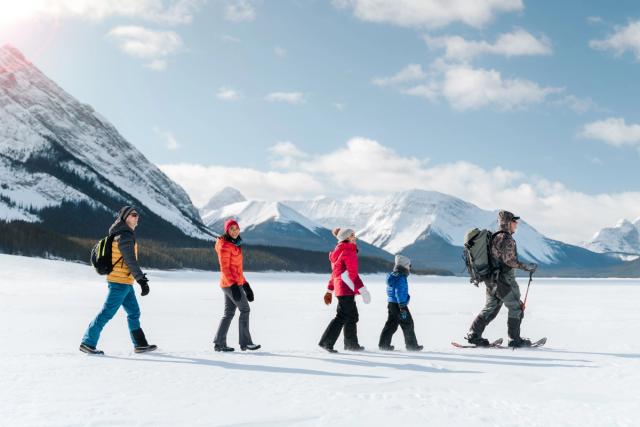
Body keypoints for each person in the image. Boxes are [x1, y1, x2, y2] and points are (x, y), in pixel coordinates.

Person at [80, 206, 156, 355]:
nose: (136, 217)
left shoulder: (123, 233)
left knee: (134, 312)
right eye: (133, 215)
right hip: (119, 283)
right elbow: (130, 260)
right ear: (125, 217)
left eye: (137, 215)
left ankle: (140, 344)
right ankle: (87, 342)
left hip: (125, 282)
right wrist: (141, 280)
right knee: (107, 313)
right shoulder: (124, 235)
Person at [465, 210, 538, 348]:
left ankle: (474, 334)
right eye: (514, 221)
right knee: (516, 307)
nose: (516, 224)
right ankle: (514, 339)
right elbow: (509, 261)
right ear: (507, 223)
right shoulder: (506, 238)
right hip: (504, 281)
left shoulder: (494, 237)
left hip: (491, 280)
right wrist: (526, 267)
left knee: (491, 308)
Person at [318, 228, 371, 353]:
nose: (355, 237)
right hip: (346, 288)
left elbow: (335, 274)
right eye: (352, 235)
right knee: (342, 316)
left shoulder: (339, 251)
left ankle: (351, 344)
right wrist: (363, 290)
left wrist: (330, 290)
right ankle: (326, 342)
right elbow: (353, 274)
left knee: (352, 316)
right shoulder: (348, 250)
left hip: (342, 288)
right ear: (346, 238)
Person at [213, 219, 260, 352]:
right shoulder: (224, 246)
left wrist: (245, 284)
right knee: (245, 309)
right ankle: (246, 342)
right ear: (227, 230)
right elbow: (225, 268)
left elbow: (236, 269)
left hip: (231, 282)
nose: (234, 231)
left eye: (236, 228)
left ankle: (219, 343)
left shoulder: (235, 244)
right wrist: (234, 286)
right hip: (230, 284)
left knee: (228, 313)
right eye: (231, 229)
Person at [378, 255, 423, 352]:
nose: (410, 268)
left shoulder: (393, 276)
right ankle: (412, 346)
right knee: (408, 323)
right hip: (399, 305)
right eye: (409, 266)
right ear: (405, 266)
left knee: (391, 324)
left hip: (392, 303)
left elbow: (392, 291)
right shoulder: (401, 277)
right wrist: (402, 306)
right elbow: (399, 292)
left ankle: (384, 345)